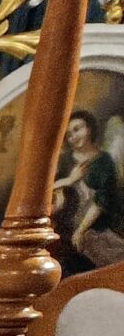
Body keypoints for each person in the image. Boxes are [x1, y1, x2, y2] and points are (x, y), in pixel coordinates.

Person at [57, 109, 124, 271]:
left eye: (77, 129)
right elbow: (45, 191)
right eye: (69, 134)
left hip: (96, 227)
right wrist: (69, 180)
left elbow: (101, 201)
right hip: (65, 226)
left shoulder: (104, 161)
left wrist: (81, 230)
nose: (73, 137)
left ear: (89, 129)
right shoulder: (64, 161)